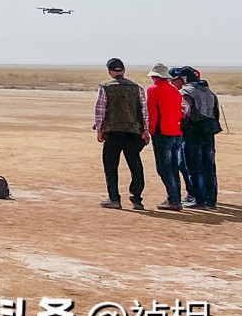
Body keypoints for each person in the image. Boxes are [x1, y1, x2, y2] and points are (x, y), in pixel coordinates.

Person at [94, 57, 148, 210]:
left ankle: (114, 199)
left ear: (110, 72)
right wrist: (145, 130)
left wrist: (99, 130)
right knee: (135, 165)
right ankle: (136, 198)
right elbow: (144, 111)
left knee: (111, 166)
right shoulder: (137, 88)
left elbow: (100, 111)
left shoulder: (105, 87)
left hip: (112, 132)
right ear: (123, 70)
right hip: (133, 132)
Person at [172, 66, 220, 209]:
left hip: (193, 133)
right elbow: (215, 114)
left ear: (184, 79)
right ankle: (211, 200)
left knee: (193, 167)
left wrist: (180, 127)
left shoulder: (185, 92)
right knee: (209, 167)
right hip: (209, 133)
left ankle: (198, 199)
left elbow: (184, 113)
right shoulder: (210, 93)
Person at [145, 63, 186, 211]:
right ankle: (176, 198)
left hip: (162, 132)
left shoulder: (153, 90)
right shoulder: (175, 91)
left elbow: (152, 112)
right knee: (173, 166)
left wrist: (149, 130)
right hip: (176, 131)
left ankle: (173, 199)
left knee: (163, 167)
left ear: (155, 77)